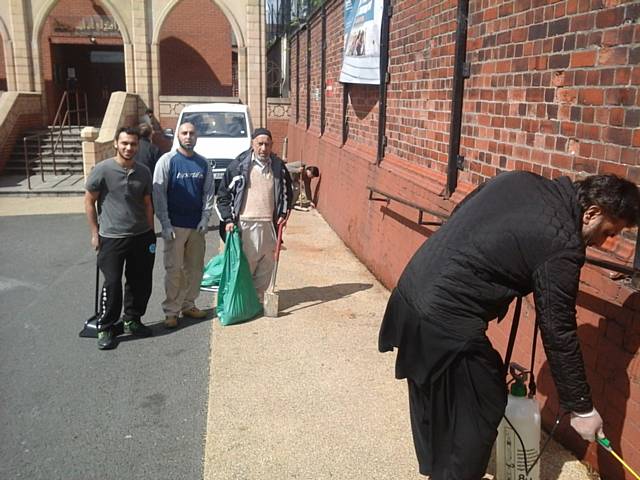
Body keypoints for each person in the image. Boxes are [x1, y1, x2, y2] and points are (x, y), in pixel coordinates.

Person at [378, 171, 640, 479]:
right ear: (592, 213)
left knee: (434, 396)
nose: (605, 242)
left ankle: (439, 469)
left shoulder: (521, 180)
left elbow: (464, 211)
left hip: (412, 290)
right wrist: (581, 408)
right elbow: (559, 331)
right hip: (445, 318)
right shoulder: (563, 244)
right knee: (484, 402)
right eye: (610, 231)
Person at [84, 126, 156, 350]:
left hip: (141, 235)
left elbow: (147, 204)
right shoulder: (103, 170)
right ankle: (105, 327)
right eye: (124, 143)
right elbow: (89, 201)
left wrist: (151, 233)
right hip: (112, 236)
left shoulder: (143, 171)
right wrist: (95, 233)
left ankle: (132, 320)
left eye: (133, 144)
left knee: (140, 281)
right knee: (113, 283)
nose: (129, 148)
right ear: (116, 143)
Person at [215, 127, 293, 301]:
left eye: (267, 144)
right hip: (245, 222)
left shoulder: (278, 167)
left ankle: (257, 299)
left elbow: (287, 193)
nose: (263, 149)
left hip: (269, 224)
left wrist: (282, 213)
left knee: (267, 264)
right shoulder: (239, 166)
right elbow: (223, 196)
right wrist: (228, 219)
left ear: (272, 145)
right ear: (252, 144)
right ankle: (241, 299)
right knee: (246, 265)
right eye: (260, 144)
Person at [153, 122, 215, 329]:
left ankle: (189, 304)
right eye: (184, 133)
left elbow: (208, 193)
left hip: (196, 226)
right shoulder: (167, 161)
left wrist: (205, 219)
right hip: (175, 227)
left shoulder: (203, 163)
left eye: (192, 133)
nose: (188, 136)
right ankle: (171, 311)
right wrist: (165, 223)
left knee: (195, 269)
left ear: (197, 137)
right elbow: (159, 194)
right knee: (174, 270)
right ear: (177, 136)